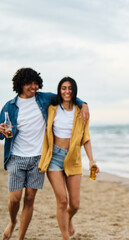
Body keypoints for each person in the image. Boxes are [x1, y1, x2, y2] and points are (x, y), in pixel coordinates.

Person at [0, 68, 89, 240]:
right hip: (16, 157)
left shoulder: (43, 99)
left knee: (30, 199)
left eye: (35, 84)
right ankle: (12, 222)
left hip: (38, 159)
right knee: (15, 199)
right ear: (20, 85)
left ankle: (20, 238)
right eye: (29, 84)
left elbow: (67, 95)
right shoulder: (9, 106)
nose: (33, 87)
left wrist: (83, 103)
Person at [37, 77, 99, 240]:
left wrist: (91, 160)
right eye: (64, 88)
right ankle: (65, 236)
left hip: (73, 158)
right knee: (62, 201)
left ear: (74, 91)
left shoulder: (81, 112)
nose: (67, 91)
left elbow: (86, 138)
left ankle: (68, 219)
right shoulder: (51, 109)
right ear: (59, 90)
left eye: (70, 88)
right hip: (54, 158)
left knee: (75, 204)